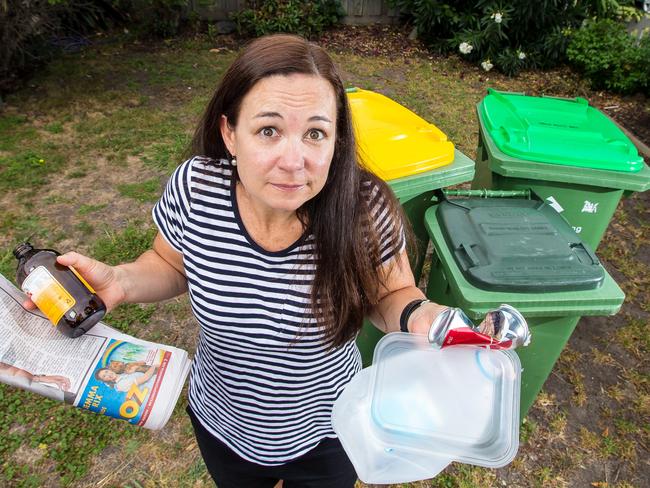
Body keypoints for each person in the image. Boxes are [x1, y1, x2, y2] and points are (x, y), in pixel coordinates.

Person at [23, 34, 494, 487]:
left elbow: (391, 293)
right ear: (230, 133)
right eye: (268, 130)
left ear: (337, 139)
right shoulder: (196, 188)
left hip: (332, 429)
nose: (294, 160)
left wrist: (422, 316)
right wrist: (121, 280)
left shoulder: (363, 209)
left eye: (315, 133)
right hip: (222, 424)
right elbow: (170, 264)